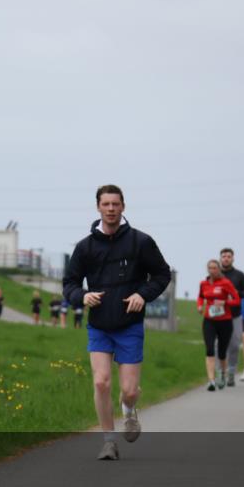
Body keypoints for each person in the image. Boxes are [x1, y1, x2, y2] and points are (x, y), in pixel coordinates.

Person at [63, 185, 171, 461]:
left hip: (129, 325)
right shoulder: (85, 247)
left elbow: (161, 275)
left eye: (115, 204)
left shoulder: (140, 242)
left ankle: (129, 409)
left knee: (129, 390)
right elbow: (69, 284)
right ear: (98, 207)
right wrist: (82, 296)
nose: (111, 209)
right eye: (106, 204)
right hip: (99, 325)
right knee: (100, 383)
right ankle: (109, 441)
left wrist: (142, 295)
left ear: (123, 207)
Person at [198, 260, 241, 391]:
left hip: (225, 321)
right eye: (210, 268)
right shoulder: (203, 283)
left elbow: (237, 300)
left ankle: (222, 374)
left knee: (222, 352)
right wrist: (200, 305)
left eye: (215, 268)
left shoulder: (225, 283)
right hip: (209, 320)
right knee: (210, 349)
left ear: (219, 269)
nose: (212, 271)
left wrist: (224, 303)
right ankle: (211, 380)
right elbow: (200, 297)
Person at [218, 248, 244, 387]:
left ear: (233, 259)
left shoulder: (239, 275)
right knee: (218, 345)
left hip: (235, 315)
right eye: (224, 256)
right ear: (220, 258)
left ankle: (231, 371)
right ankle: (220, 373)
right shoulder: (215, 275)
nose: (226, 258)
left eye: (228, 256)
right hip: (218, 315)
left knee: (234, 345)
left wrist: (237, 293)